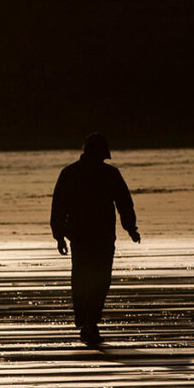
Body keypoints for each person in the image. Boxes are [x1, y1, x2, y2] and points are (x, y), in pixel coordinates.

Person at [50, 133, 140, 345]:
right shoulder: (108, 174)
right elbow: (125, 204)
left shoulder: (70, 173)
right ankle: (89, 321)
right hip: (99, 236)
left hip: (83, 236)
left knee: (83, 279)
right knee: (99, 279)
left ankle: (86, 320)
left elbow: (58, 207)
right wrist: (131, 228)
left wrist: (59, 235)